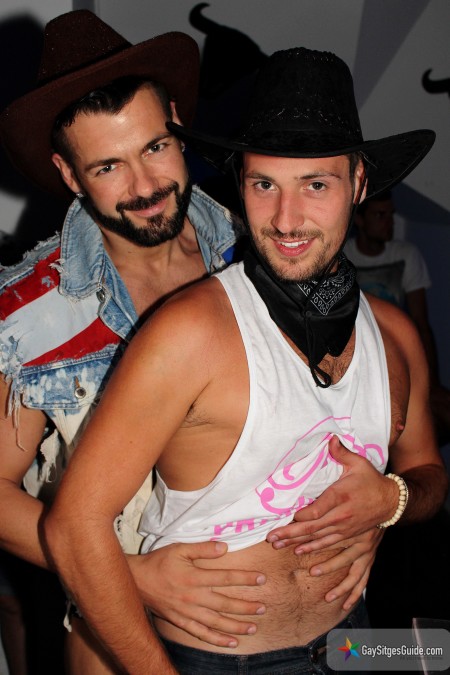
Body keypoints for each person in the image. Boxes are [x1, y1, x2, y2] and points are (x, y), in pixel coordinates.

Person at [44, 46, 448, 674]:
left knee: (437, 655)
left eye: (316, 184)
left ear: (359, 184)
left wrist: (391, 501)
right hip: (217, 662)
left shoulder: (394, 333)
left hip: (356, 645)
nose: (287, 219)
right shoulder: (187, 332)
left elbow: (429, 474)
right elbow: (73, 527)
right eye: (264, 185)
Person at [0, 9, 272, 674]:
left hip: (282, 627)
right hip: (121, 638)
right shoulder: (32, 315)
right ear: (70, 175)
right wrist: (131, 574)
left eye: (155, 147)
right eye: (108, 167)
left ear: (177, 122)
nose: (145, 187)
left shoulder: (261, 252)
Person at [345, 191, 450, 445]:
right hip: (356, 358)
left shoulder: (406, 254)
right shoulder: (343, 255)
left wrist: (432, 383)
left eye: (391, 215)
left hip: (398, 350)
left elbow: (421, 322)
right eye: (380, 215)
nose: (389, 222)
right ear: (360, 220)